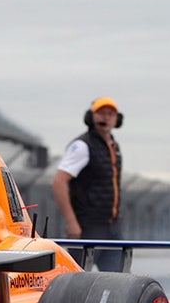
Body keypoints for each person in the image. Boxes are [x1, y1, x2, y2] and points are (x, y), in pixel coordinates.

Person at [51, 97, 124, 271]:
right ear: (90, 117)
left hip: (112, 227)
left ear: (117, 119)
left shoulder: (114, 146)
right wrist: (72, 222)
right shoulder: (82, 146)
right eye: (101, 113)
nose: (106, 117)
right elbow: (58, 182)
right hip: (88, 227)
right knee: (80, 277)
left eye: (110, 114)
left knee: (118, 279)